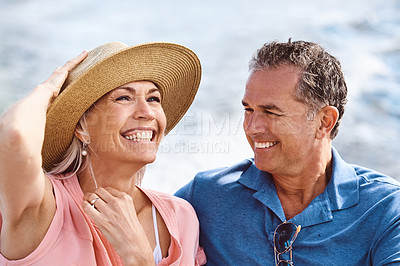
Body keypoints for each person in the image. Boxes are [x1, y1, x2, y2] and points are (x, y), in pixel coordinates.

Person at [175, 40, 400, 265]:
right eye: (248, 110)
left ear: (324, 122)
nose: (252, 127)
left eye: (271, 112)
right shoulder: (205, 195)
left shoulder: (387, 209)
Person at [0, 41, 206, 265]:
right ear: (81, 128)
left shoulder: (180, 216)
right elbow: (14, 135)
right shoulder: (43, 208)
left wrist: (139, 257)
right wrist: (47, 89)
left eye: (153, 98)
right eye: (123, 98)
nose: (147, 112)